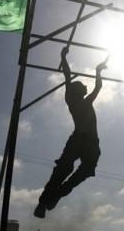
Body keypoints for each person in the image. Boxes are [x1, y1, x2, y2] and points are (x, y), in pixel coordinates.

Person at [34, 47, 108, 218]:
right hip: (80, 140)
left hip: (90, 142)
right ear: (76, 90)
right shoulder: (72, 99)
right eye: (82, 85)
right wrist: (62, 56)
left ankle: (56, 195)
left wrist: (98, 71)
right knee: (63, 170)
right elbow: (67, 75)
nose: (85, 86)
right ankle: (44, 202)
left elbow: (98, 86)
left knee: (81, 169)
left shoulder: (87, 101)